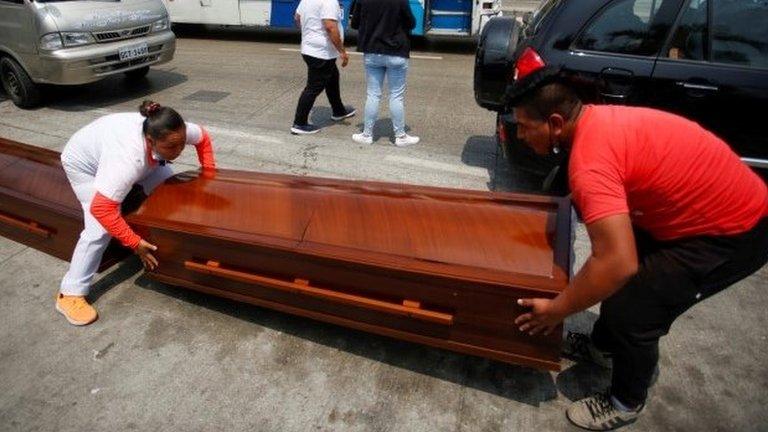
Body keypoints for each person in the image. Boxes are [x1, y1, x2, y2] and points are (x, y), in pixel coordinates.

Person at [508, 65, 768, 430]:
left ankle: (625, 400)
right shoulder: (594, 121)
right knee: (618, 286)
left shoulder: (589, 162)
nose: (519, 135)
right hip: (691, 210)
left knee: (636, 311)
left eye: (523, 125)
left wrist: (556, 309)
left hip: (732, 231)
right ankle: (603, 349)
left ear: (554, 123)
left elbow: (617, 263)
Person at [57, 100, 216, 326]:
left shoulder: (173, 130)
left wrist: (210, 179)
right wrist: (134, 243)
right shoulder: (128, 159)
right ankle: (70, 293)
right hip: (84, 164)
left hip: (126, 149)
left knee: (172, 193)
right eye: (172, 148)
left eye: (182, 144)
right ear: (150, 141)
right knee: (98, 229)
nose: (179, 151)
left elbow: (203, 139)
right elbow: (101, 208)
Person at [350, 0, 419, 146]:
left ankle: (367, 135)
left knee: (373, 94)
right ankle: (400, 136)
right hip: (397, 52)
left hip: (372, 51)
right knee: (396, 96)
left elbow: (355, 23)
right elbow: (411, 23)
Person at [291, 0, 356, 135]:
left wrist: (309, 33)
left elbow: (297, 18)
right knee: (313, 87)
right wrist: (342, 51)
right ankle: (299, 123)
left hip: (311, 49)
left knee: (332, 78)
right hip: (321, 53)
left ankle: (338, 111)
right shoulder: (329, 2)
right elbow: (330, 27)